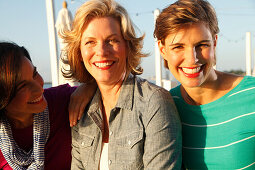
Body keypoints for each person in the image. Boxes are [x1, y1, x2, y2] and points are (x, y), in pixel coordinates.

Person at [62, 0, 182, 169]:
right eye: (90, 42)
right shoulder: (81, 110)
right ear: (79, 52)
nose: (102, 52)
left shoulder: (154, 103)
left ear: (128, 45)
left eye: (112, 40)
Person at [154, 0, 255, 169]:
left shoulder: (251, 96)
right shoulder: (165, 106)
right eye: (178, 47)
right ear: (163, 50)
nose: (192, 59)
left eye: (202, 45)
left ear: (214, 43)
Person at [0, 42, 94, 169]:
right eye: (22, 86)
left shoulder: (63, 101)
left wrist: (91, 85)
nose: (39, 89)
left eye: (34, 74)